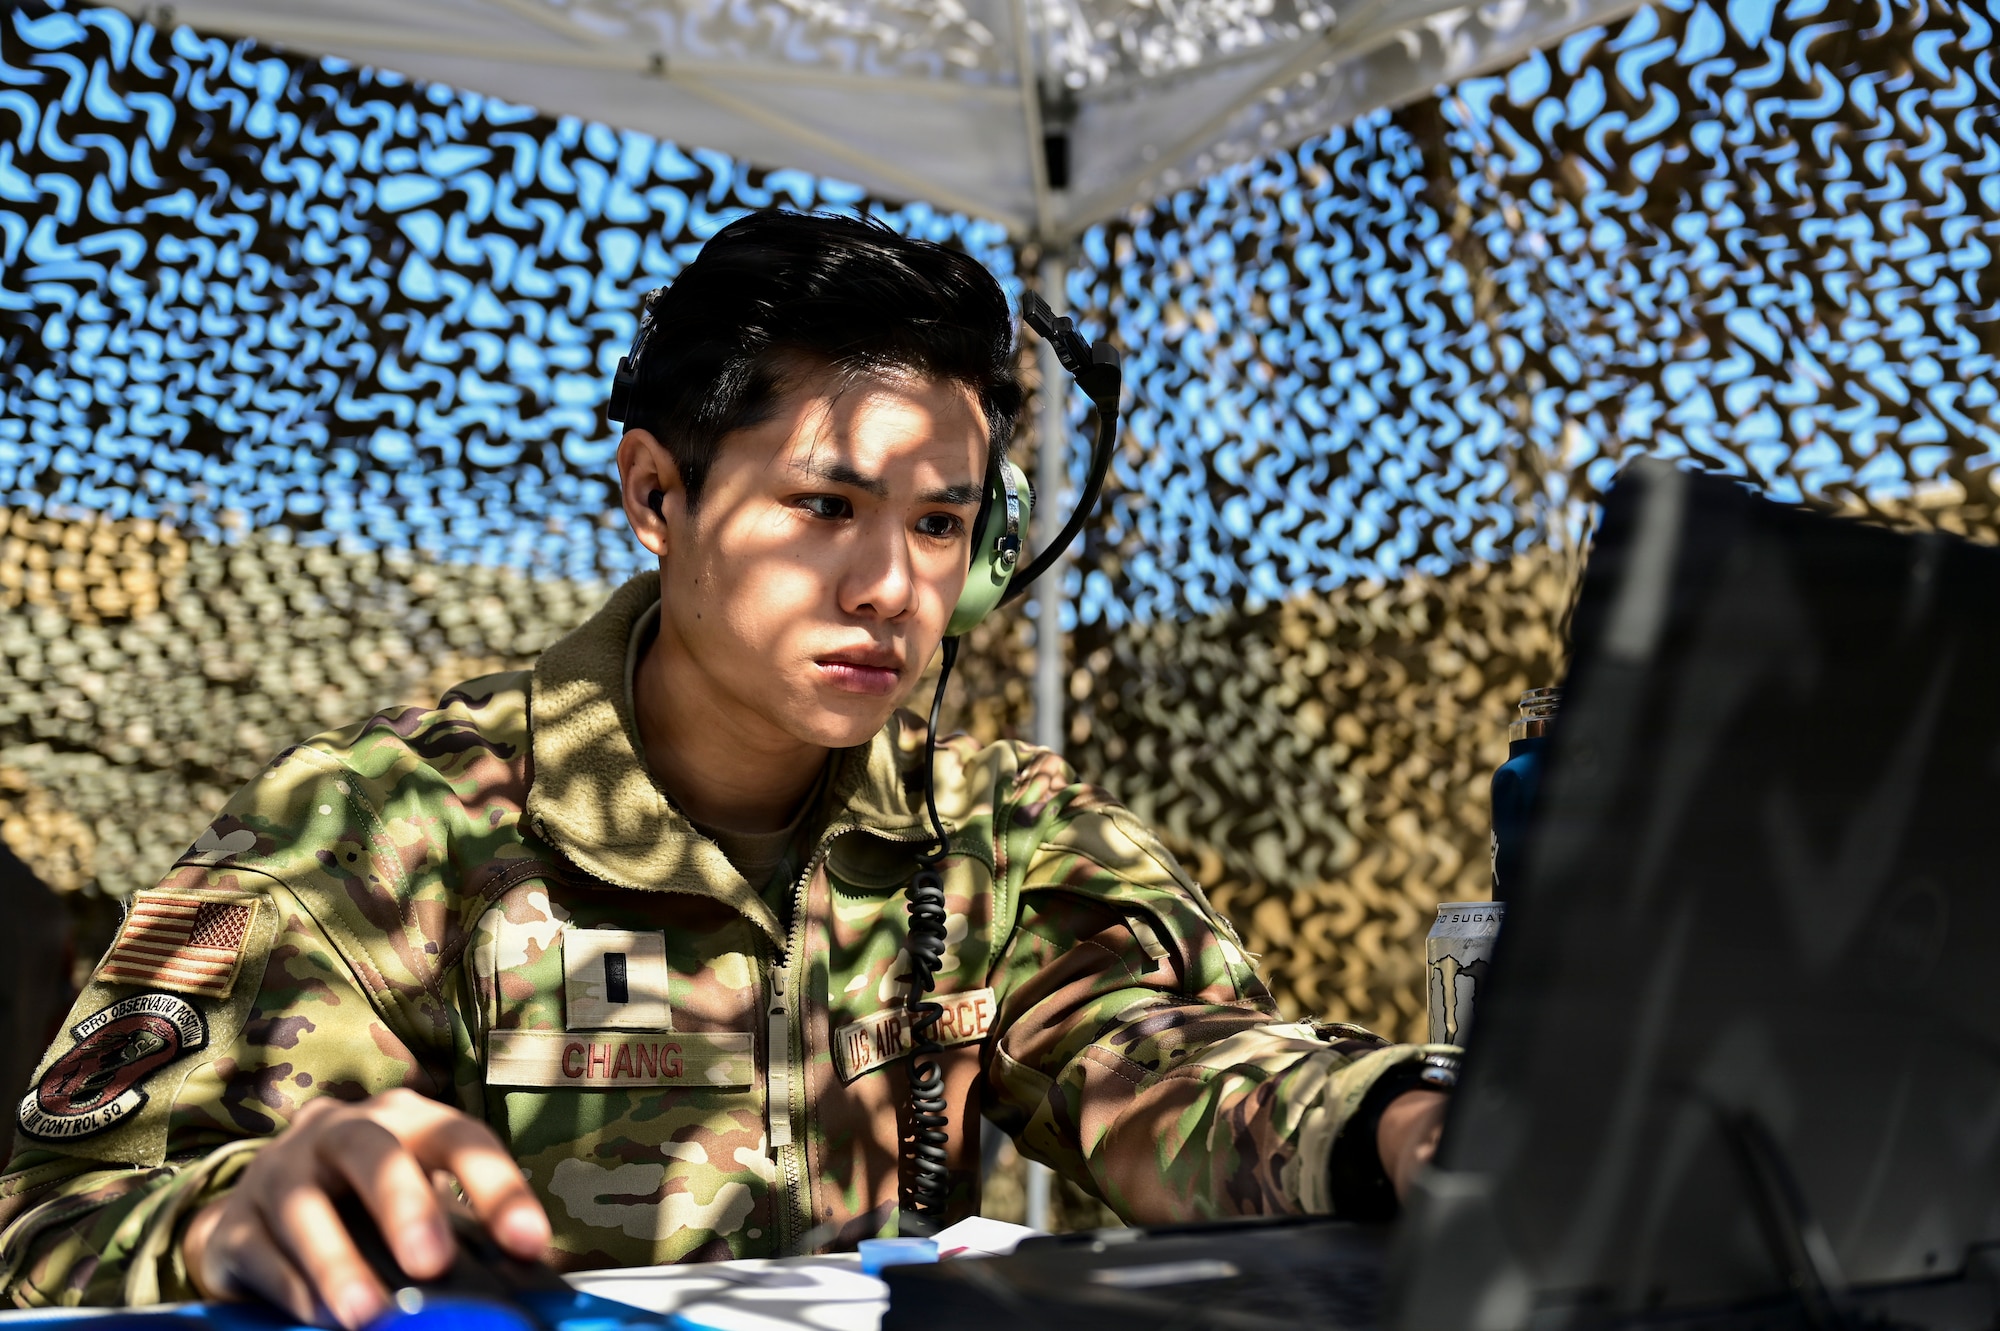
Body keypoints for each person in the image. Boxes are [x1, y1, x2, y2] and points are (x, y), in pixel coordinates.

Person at [0, 211, 1451, 1325]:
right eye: (827, 505)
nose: (893, 584)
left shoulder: (1001, 837)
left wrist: (1398, 1121)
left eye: (943, 526)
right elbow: (52, 1231)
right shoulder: (381, 833)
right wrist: (226, 1221)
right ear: (656, 494)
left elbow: (1164, 1059)